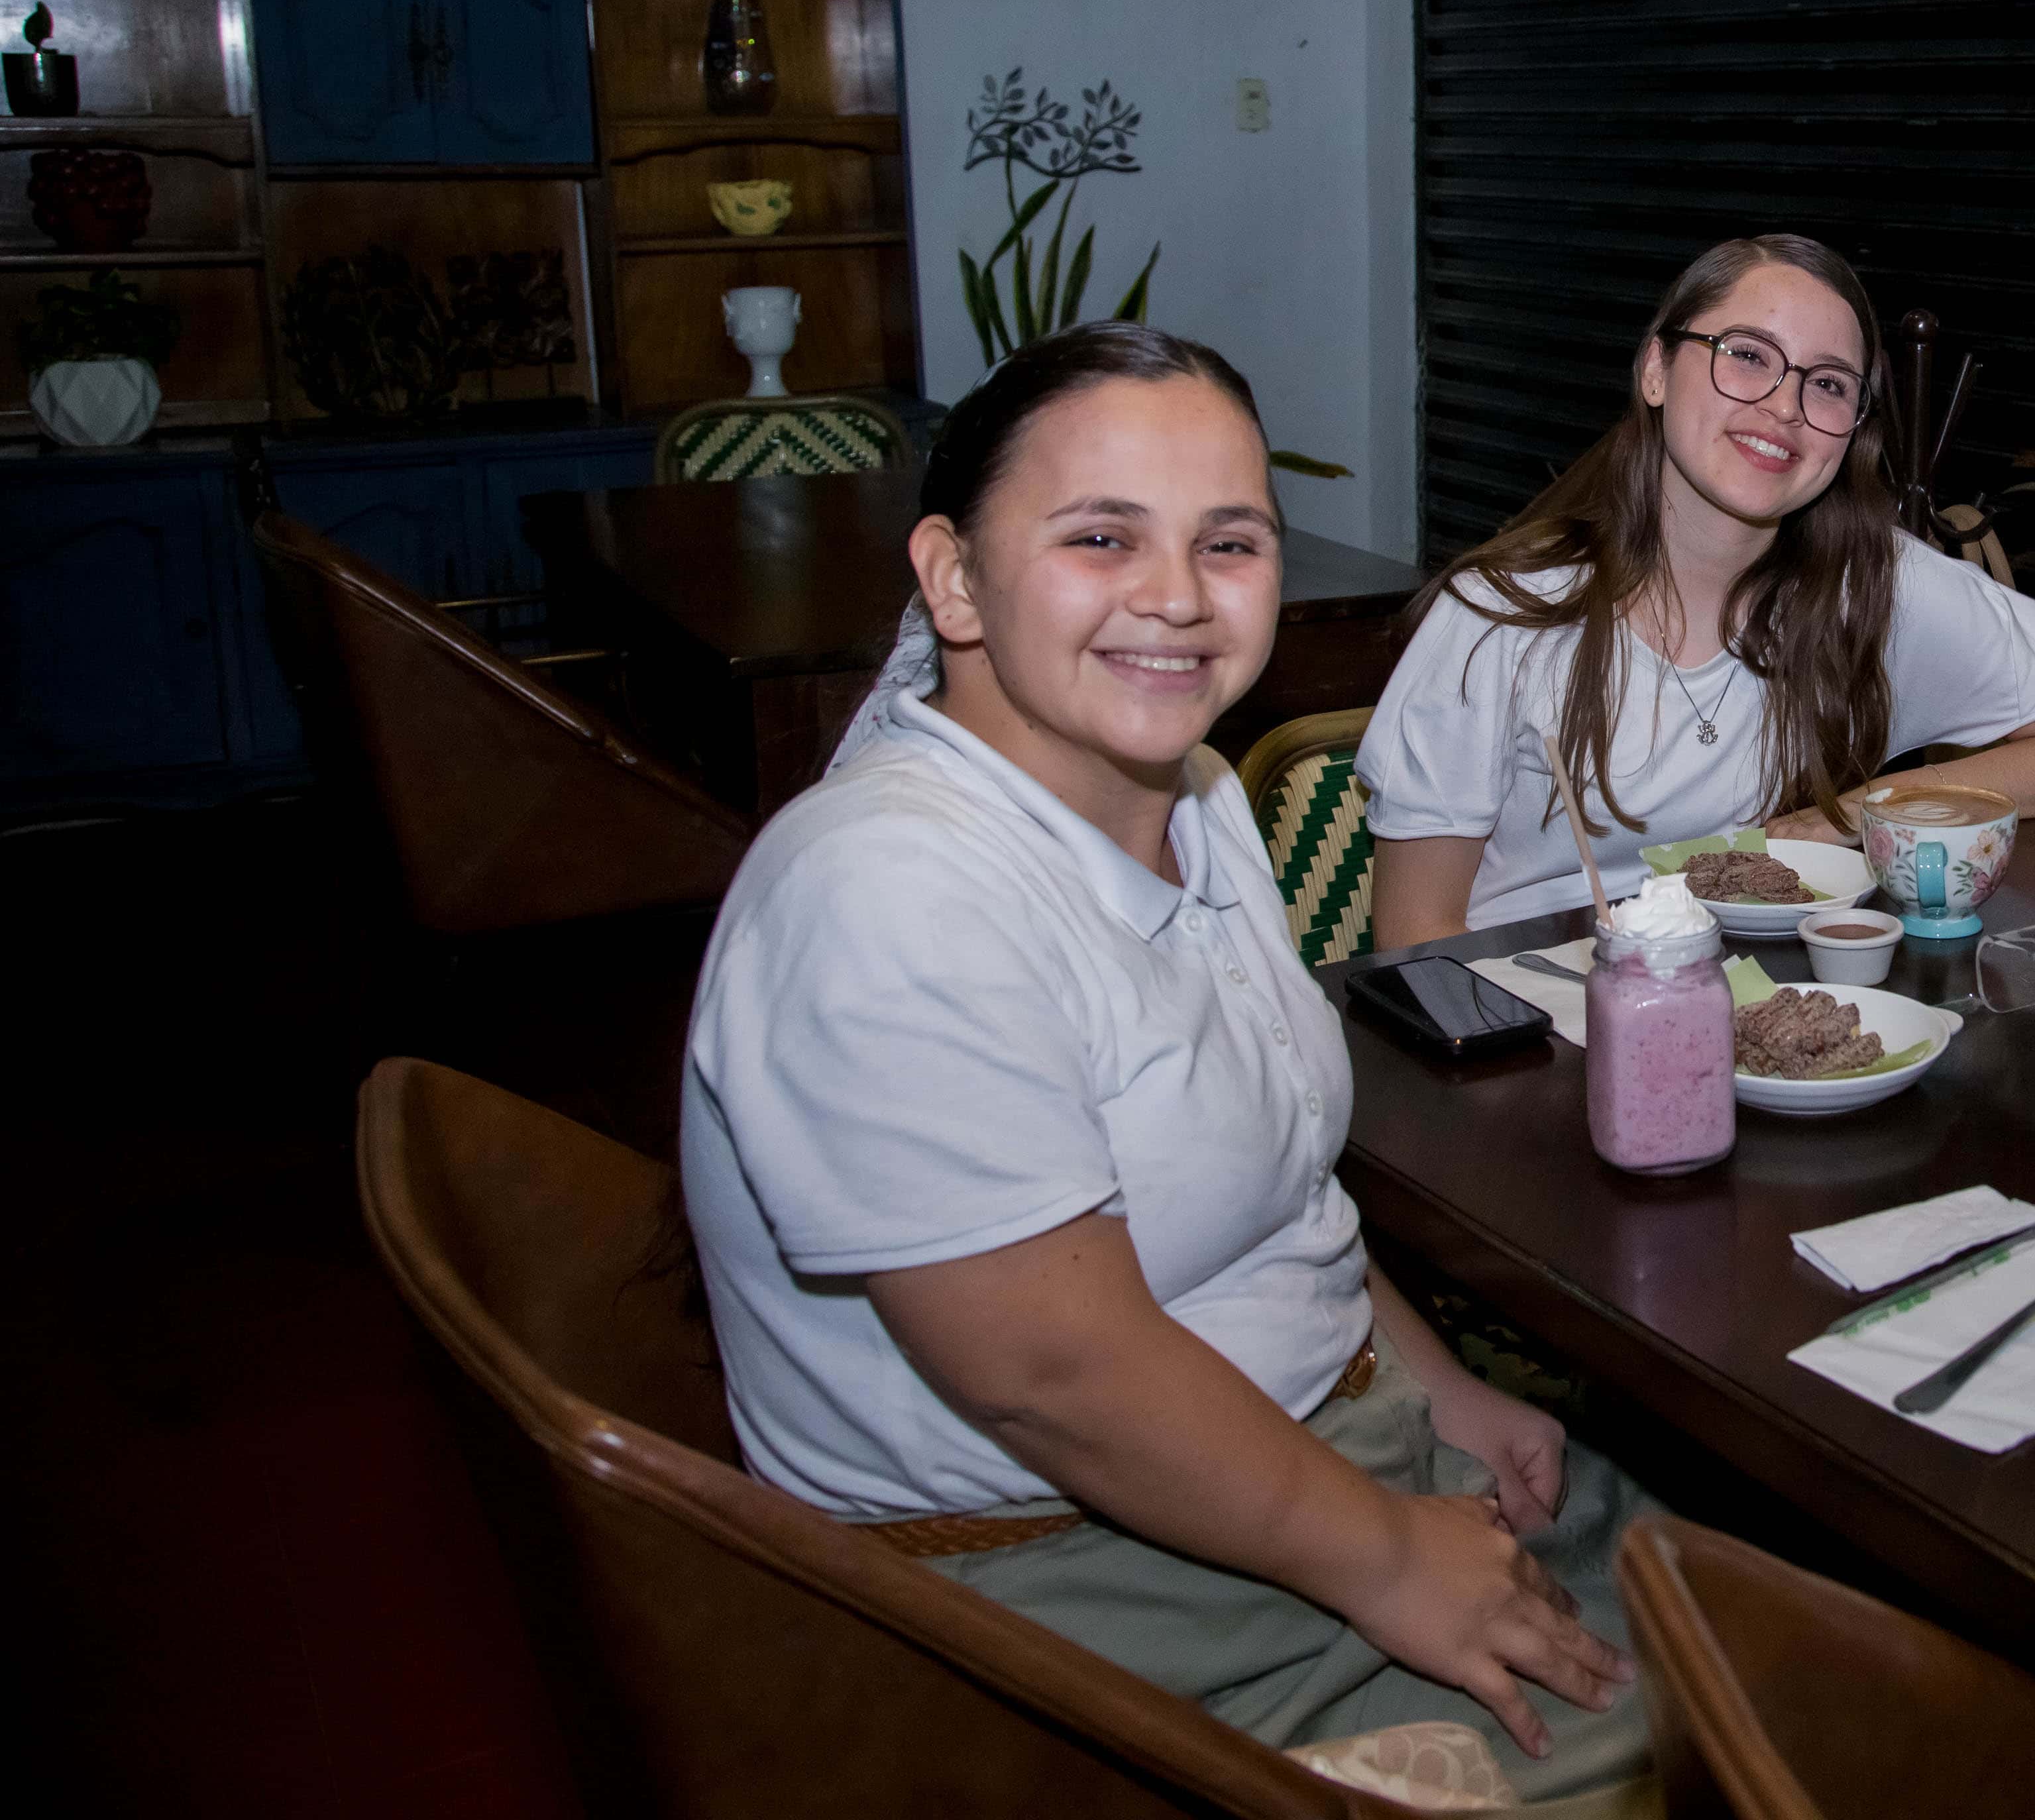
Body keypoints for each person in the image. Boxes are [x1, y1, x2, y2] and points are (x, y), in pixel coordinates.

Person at [680, 325, 1649, 1797]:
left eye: (1230, 542)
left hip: (1322, 1450)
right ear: (952, 577)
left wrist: (1438, 1383)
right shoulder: (886, 894)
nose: (1180, 598)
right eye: (1100, 537)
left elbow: (1267, 1185)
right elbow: (1051, 1374)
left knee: (1783, 1625)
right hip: (1070, 1572)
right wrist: (1386, 1554)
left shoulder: (1191, 795)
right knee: (1749, 1743)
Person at [1362, 234, 2035, 946]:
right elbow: (1415, 937)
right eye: (1747, 354)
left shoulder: (1877, 588)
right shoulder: (1505, 615)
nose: (1784, 407)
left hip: (1766, 1020)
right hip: (1534, 1030)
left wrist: (1850, 814)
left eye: (1830, 384)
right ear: (1655, 370)